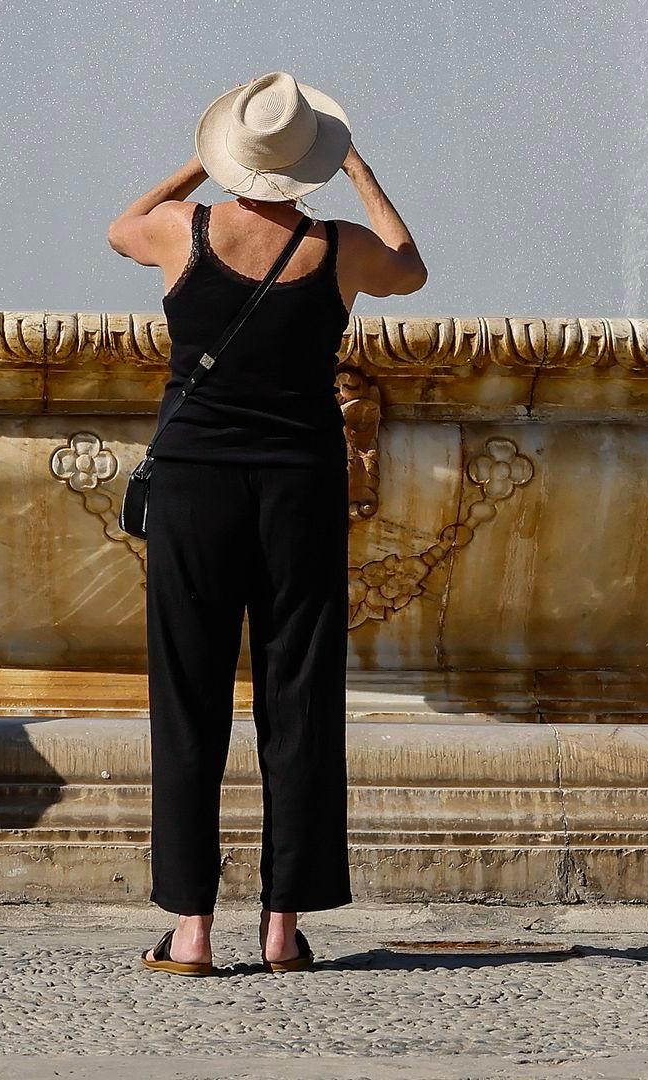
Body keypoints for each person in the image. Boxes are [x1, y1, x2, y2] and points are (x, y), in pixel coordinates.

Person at [106, 72, 427, 975]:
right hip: (300, 490)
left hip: (195, 490)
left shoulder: (183, 231)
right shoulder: (343, 248)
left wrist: (197, 167)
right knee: (301, 702)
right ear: (311, 165)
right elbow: (412, 265)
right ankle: (283, 926)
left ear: (231, 157)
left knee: (188, 702)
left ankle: (193, 930)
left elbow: (119, 224)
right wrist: (358, 171)